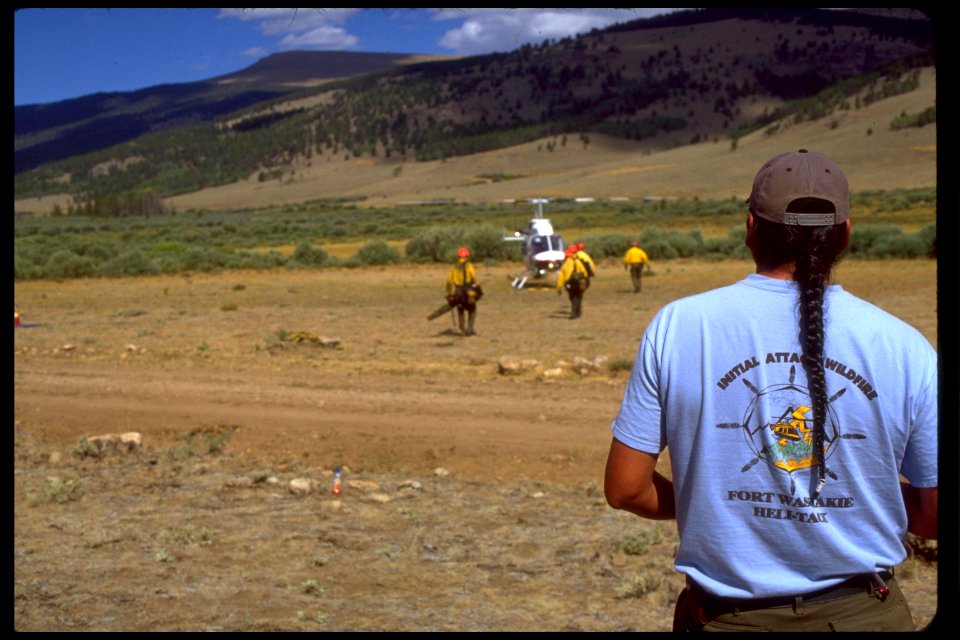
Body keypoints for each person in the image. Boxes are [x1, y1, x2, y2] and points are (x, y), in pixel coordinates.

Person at [604, 150, 937, 631]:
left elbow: (626, 488)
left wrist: (717, 498)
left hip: (726, 619)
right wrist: (856, 498)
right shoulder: (904, 345)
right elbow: (935, 512)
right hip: (865, 615)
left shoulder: (679, 326)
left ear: (750, 229)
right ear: (844, 233)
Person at [446, 246, 481, 336]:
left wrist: (449, 293)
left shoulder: (453, 268)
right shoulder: (469, 266)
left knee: (460, 309)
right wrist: (476, 286)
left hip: (458, 291)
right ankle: (470, 328)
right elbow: (473, 277)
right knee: (472, 309)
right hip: (469, 291)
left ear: (458, 257)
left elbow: (449, 282)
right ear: (467, 256)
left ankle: (462, 328)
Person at [557, 245, 590, 319]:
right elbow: (584, 272)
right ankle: (577, 311)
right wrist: (585, 280)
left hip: (569, 284)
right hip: (578, 282)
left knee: (573, 297)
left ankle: (574, 312)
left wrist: (559, 287)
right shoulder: (577, 261)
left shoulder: (564, 265)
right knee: (578, 297)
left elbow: (561, 277)